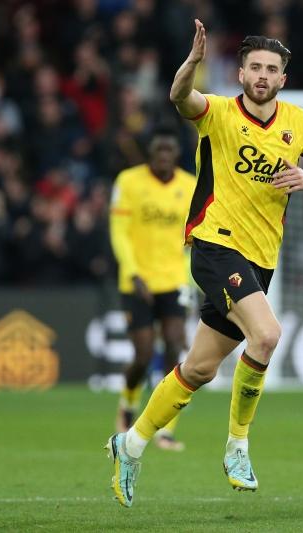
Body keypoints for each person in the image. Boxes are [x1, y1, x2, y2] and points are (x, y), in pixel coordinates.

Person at [105, 20, 303, 507]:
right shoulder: (216, 113)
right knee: (268, 335)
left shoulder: (301, 125)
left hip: (262, 259)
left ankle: (128, 445)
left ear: (282, 79)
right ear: (240, 74)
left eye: (271, 69)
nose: (262, 75)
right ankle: (238, 444)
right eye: (254, 67)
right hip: (214, 246)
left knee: (198, 370)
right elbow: (180, 98)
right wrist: (192, 63)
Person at [109, 124, 197, 452]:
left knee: (175, 348)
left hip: (173, 279)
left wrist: (187, 282)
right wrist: (132, 272)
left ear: (176, 156)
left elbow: (193, 240)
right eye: (157, 152)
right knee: (144, 355)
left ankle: (165, 429)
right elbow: (119, 231)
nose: (163, 158)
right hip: (137, 281)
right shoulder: (128, 182)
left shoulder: (189, 187)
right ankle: (128, 404)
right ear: (149, 155)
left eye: (168, 152)